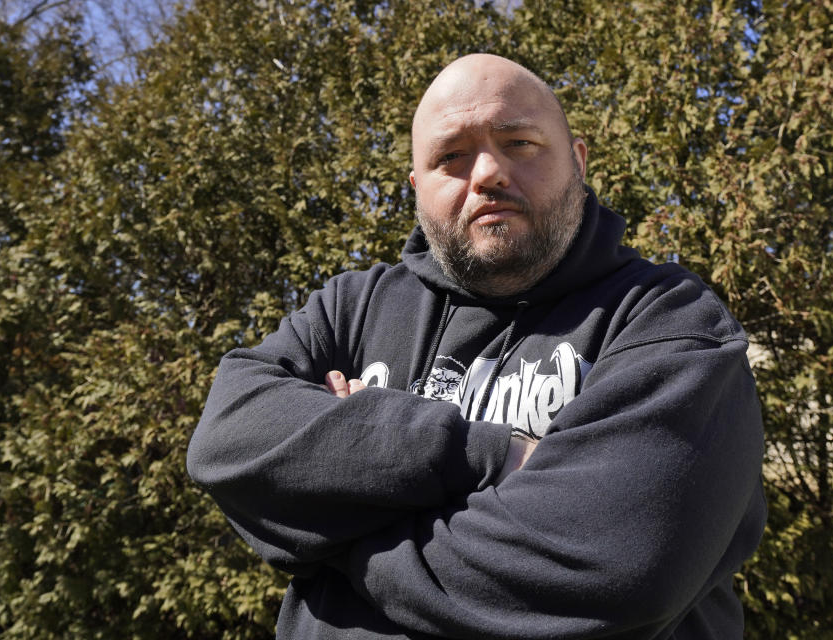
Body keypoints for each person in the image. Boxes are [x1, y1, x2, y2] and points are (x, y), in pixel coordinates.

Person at [186, 53, 766, 639]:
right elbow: (226, 438)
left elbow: (614, 572)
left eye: (518, 142)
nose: (487, 172)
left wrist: (333, 542)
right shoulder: (349, 309)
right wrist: (494, 455)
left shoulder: (668, 319)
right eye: (451, 157)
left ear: (579, 160)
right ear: (417, 187)